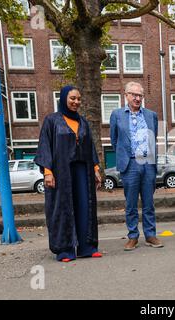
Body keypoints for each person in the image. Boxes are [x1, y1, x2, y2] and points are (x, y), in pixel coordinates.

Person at [35, 86, 102, 262]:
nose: (76, 102)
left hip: (83, 172)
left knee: (85, 206)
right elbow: (45, 147)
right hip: (61, 172)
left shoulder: (83, 122)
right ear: (64, 98)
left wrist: (95, 170)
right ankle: (65, 249)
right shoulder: (52, 121)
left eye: (79, 99)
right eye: (72, 98)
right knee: (62, 207)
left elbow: (90, 147)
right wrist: (47, 172)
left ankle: (87, 246)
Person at [110, 82, 163, 251]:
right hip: (130, 163)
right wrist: (125, 156)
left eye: (140, 95)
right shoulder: (116, 115)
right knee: (131, 203)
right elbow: (114, 140)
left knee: (149, 203)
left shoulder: (151, 115)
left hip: (147, 163)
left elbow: (153, 139)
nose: (137, 98)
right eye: (133, 94)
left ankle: (150, 235)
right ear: (126, 95)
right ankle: (133, 236)